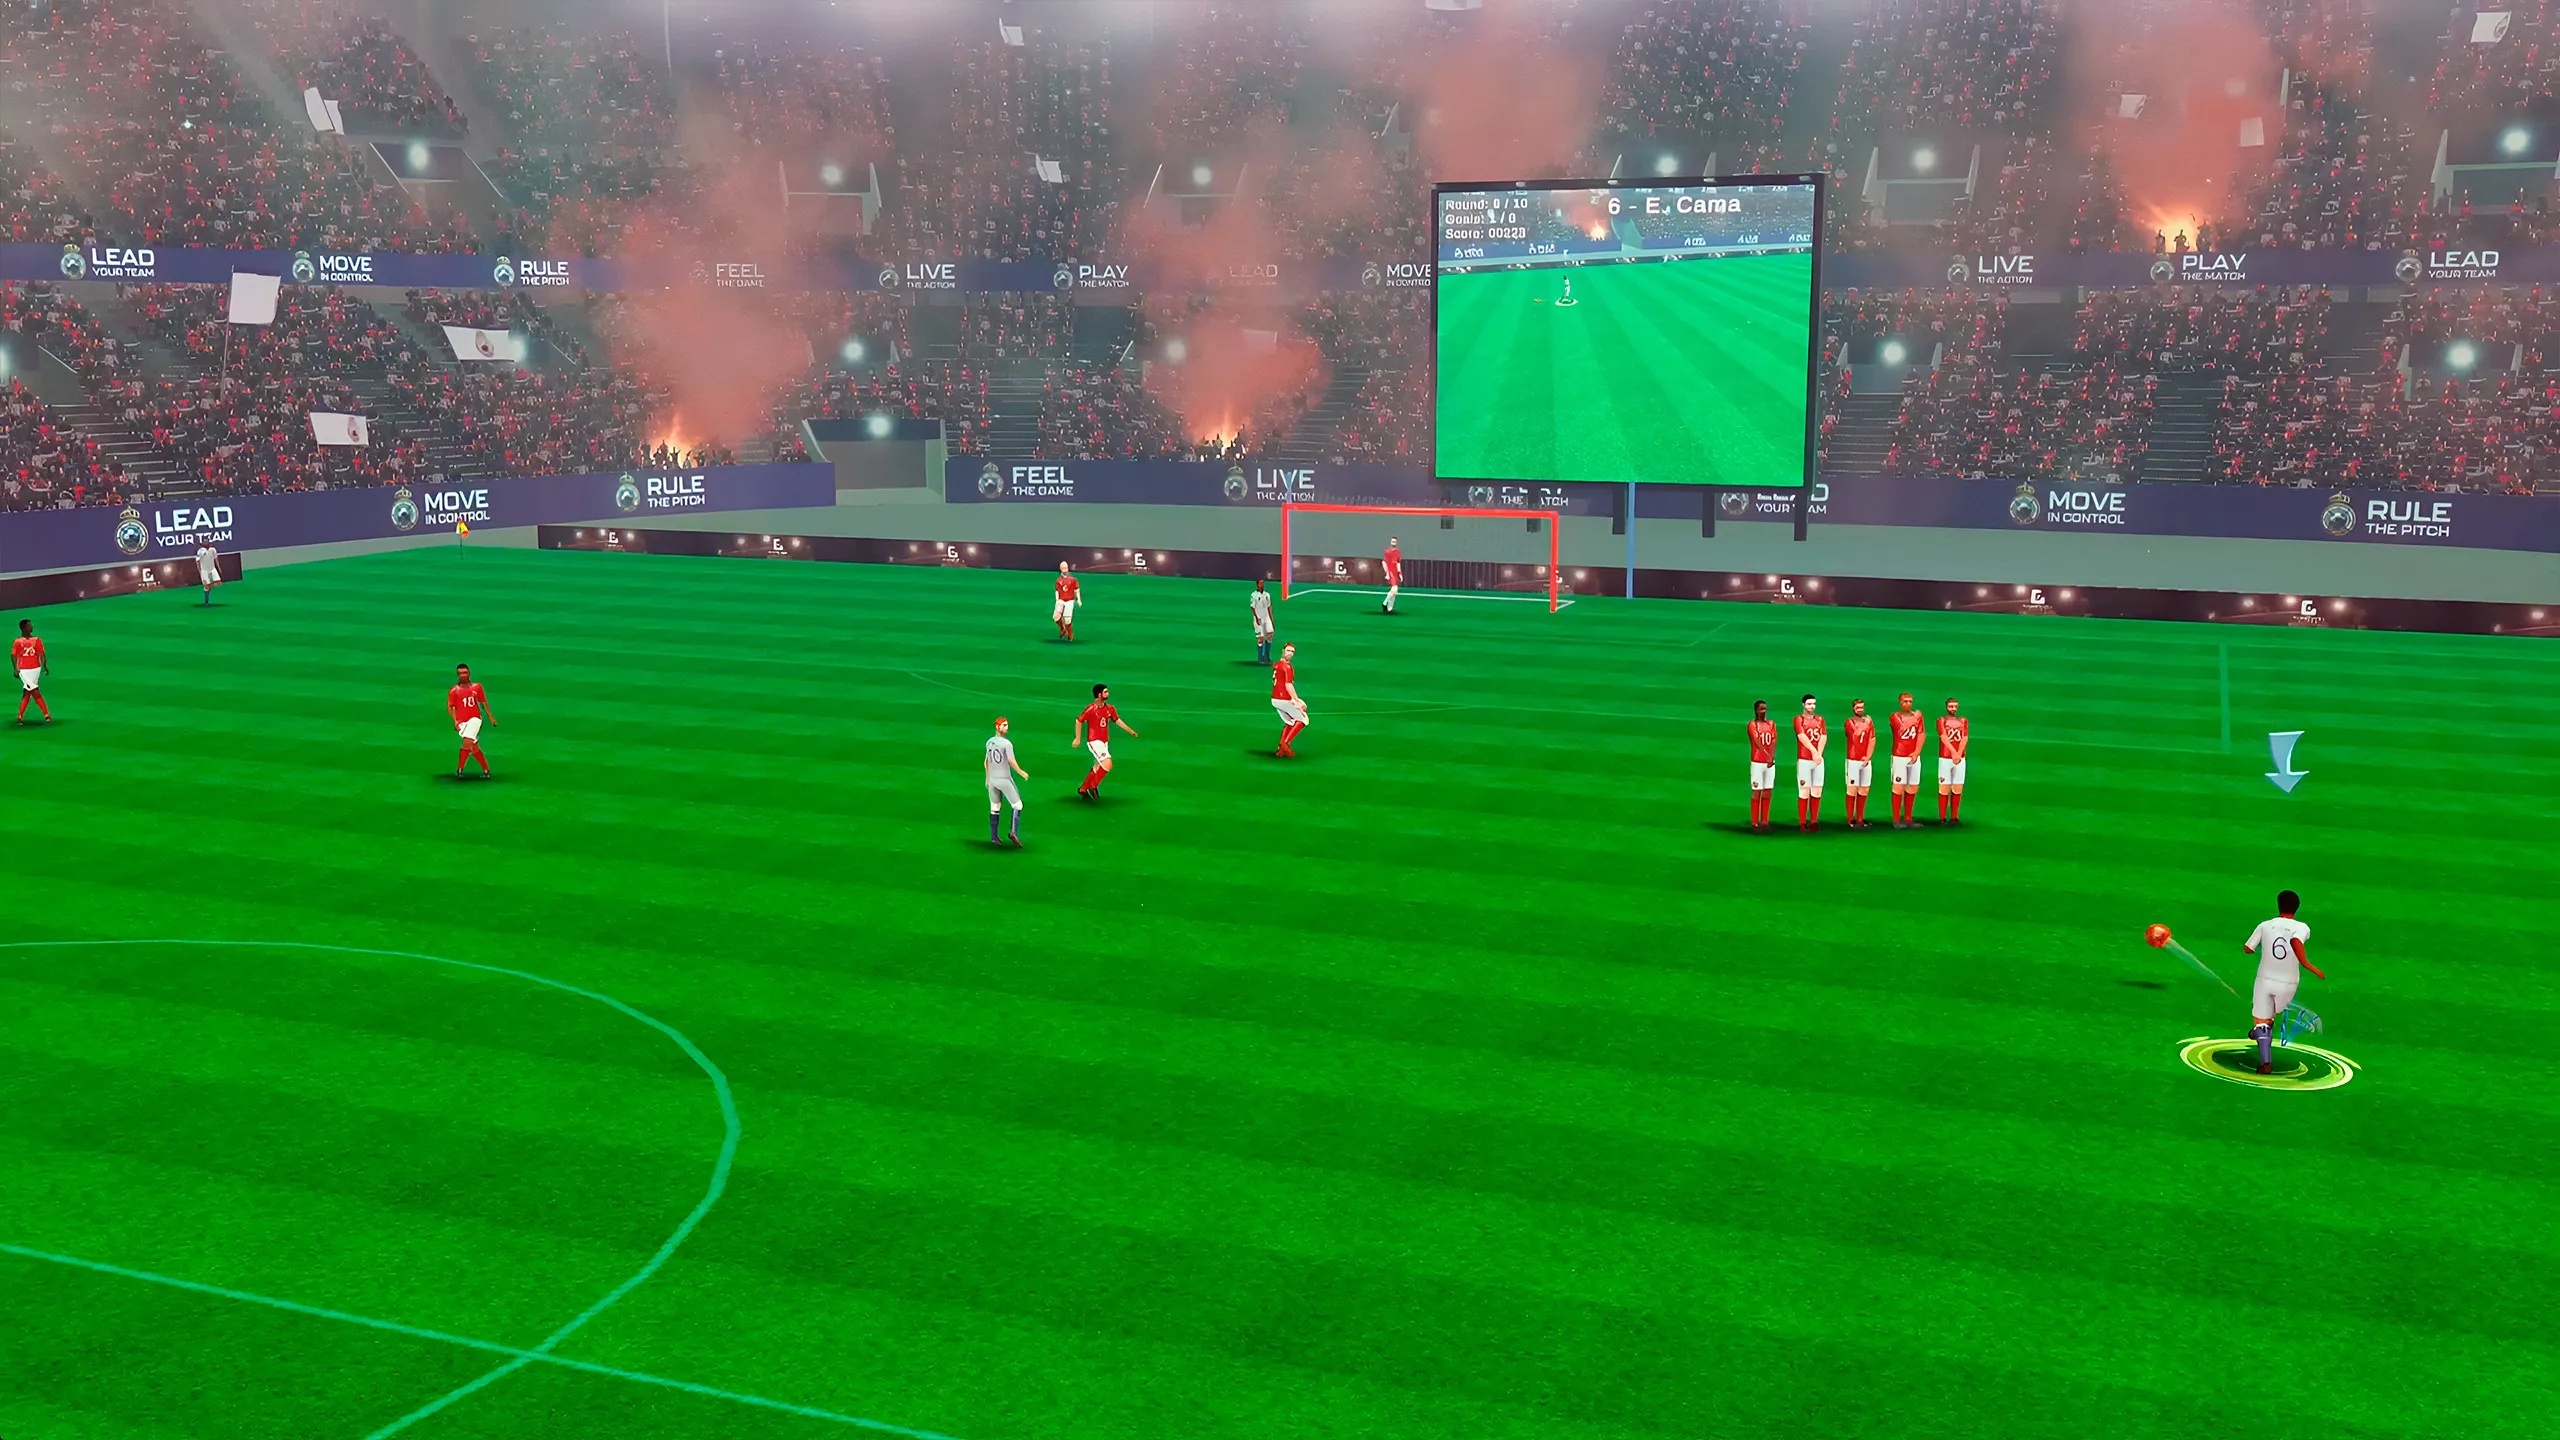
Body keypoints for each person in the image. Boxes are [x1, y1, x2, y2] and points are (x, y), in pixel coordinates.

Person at [2242, 890, 2323, 1074]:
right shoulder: (2302, 927)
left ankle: (2265, 1059)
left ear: (2278, 905)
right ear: (2297, 907)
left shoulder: (2265, 925)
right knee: (2270, 1015)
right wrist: (2306, 965)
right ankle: (2261, 1030)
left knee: (2262, 1021)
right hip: (2289, 983)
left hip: (2265, 980)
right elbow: (2296, 939)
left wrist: (2306, 963)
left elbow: (2248, 948)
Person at [1073, 682, 1138, 799]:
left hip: (1104, 741)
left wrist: (1131, 731)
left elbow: (1117, 720)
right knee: (1108, 763)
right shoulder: (1091, 709)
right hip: (1094, 740)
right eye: (1105, 692)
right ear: (1099, 695)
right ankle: (1093, 786)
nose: (1108, 693)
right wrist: (1077, 739)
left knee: (1098, 766)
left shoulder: (1110, 709)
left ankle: (1083, 789)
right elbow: (1079, 721)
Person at [985, 716, 1028, 846]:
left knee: (995, 808)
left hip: (993, 780)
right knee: (1018, 806)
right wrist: (1021, 772)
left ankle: (994, 837)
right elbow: (1011, 760)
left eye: (1007, 725)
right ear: (997, 727)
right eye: (1004, 725)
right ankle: (1013, 832)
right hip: (1004, 779)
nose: (1006, 727)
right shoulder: (1007, 744)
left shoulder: (989, 742)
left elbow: (986, 762)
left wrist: (987, 778)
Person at [1887, 692, 1925, 829]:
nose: (1908, 704)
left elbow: (1921, 734)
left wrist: (1916, 752)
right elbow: (1902, 728)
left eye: (1910, 701)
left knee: (1912, 786)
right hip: (1899, 756)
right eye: (1905, 701)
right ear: (1900, 702)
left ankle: (1908, 818)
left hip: (1914, 756)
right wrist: (1916, 716)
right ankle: (1896, 820)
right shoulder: (1895, 716)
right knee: (1898, 786)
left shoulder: (1918, 717)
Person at [448, 663, 493, 778]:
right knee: (473, 747)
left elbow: (483, 703)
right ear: (457, 674)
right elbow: (450, 707)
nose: (463, 675)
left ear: (469, 673)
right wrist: (455, 721)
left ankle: (459, 771)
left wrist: (491, 717)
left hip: (475, 719)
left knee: (466, 743)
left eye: (465, 673)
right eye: (460, 673)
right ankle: (486, 771)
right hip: (462, 722)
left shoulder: (477, 687)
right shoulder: (454, 690)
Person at [1794, 693, 1827, 831]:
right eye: (1809, 704)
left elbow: (1823, 736)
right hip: (1804, 760)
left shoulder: (1820, 719)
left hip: (1817, 760)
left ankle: (1814, 821)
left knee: (1817, 791)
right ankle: (1802, 822)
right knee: (1804, 791)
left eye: (1813, 704)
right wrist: (1814, 751)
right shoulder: (1798, 719)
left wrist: (1819, 753)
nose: (1811, 706)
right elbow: (1801, 736)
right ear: (1803, 705)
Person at [1841, 699, 1876, 829]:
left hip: (1865, 761)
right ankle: (1850, 819)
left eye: (1861, 707)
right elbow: (1856, 734)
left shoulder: (1868, 722)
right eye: (1857, 707)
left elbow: (1872, 738)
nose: (1860, 709)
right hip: (1853, 760)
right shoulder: (1849, 722)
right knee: (1852, 789)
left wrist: (1868, 757)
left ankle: (1860, 819)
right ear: (1853, 709)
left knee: (1864, 789)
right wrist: (1867, 723)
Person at [1271, 642, 1308, 757]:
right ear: (1283, 651)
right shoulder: (1287, 667)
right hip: (1283, 698)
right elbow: (1288, 685)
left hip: (1275, 699)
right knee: (1303, 719)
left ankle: (1280, 750)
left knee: (1290, 721)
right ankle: (1285, 744)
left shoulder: (1276, 665)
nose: (1290, 653)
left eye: (1292, 652)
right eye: (1288, 650)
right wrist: (1297, 700)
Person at [1935, 696, 1968, 824]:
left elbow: (1964, 738)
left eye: (1955, 706)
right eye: (1951, 706)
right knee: (1944, 787)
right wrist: (1954, 752)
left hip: (1960, 759)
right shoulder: (1941, 720)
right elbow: (1943, 737)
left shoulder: (1963, 721)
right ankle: (1942, 817)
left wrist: (1959, 754)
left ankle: (1954, 817)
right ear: (1946, 707)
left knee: (1958, 787)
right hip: (1945, 758)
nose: (1953, 708)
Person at [1746, 699, 1777, 831]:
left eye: (1765, 708)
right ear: (1756, 710)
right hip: (1757, 762)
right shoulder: (1752, 725)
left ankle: (1765, 821)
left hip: (1770, 763)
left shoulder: (1771, 724)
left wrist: (1771, 756)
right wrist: (1767, 756)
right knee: (1756, 792)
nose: (1763, 711)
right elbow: (1756, 741)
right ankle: (1754, 822)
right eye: (1761, 709)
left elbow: (1774, 740)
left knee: (1768, 791)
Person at [12, 619, 49, 725]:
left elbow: (41, 653)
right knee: (35, 690)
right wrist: (16, 668)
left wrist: (45, 666)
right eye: (29, 626)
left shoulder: (36, 640)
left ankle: (20, 717)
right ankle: (47, 715)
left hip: (35, 669)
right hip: (23, 670)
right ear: (24, 628)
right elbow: (14, 655)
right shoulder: (18, 641)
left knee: (27, 692)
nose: (31, 627)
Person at [1051, 561, 1081, 641]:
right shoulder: (1058, 581)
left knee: (1067, 619)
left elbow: (1076, 590)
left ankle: (1070, 635)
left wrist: (1079, 599)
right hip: (1061, 600)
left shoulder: (1073, 580)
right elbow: (1057, 591)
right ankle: (1063, 629)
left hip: (1069, 600)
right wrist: (1057, 600)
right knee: (1056, 617)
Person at [1250, 578, 1275, 663]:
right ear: (1257, 584)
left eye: (1263, 583)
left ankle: (1267, 656)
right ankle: (1260, 658)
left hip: (1267, 618)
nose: (1262, 584)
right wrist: (1256, 618)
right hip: (1259, 618)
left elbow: (1269, 607)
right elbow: (1252, 607)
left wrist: (1271, 619)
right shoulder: (1254, 595)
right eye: (1261, 583)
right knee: (1260, 638)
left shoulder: (1267, 595)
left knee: (1270, 635)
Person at [194, 542, 222, 606]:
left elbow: (216, 559)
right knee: (207, 586)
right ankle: (206, 600)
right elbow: (197, 561)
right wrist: (200, 571)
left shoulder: (213, 550)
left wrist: (219, 567)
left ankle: (208, 593)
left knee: (216, 583)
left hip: (212, 569)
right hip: (204, 571)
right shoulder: (200, 551)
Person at [1381, 537, 1402, 614]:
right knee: (1394, 589)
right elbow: (1384, 562)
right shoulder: (1387, 552)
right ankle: (1384, 603)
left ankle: (1390, 608)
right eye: (1392, 541)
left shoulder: (1398, 552)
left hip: (1395, 572)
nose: (1393, 542)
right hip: (1391, 572)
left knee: (1395, 591)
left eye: (1395, 541)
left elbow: (1398, 563)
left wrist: (1400, 573)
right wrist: (1387, 573)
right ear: (1390, 542)